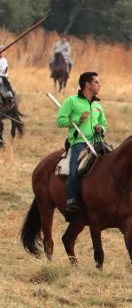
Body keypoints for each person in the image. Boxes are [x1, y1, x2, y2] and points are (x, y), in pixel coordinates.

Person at [56, 72, 107, 217]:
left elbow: (104, 124)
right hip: (80, 143)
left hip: (98, 142)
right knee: (75, 171)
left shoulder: (98, 106)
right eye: (96, 82)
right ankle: (71, 200)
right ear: (87, 85)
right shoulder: (71, 101)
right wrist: (78, 120)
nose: (99, 85)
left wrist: (101, 129)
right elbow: (60, 121)